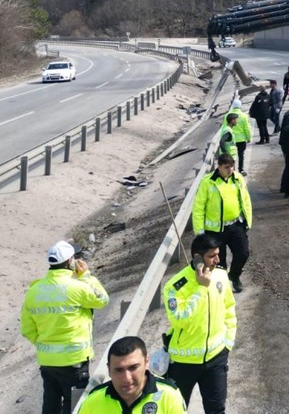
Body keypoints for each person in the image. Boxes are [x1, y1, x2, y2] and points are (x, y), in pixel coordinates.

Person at [20, 240, 110, 414]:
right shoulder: (77, 288)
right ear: (70, 262)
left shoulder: (34, 290)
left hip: (47, 361)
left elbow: (27, 329)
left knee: (50, 404)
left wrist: (44, 345)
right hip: (74, 361)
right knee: (75, 406)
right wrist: (86, 276)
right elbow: (103, 299)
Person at [163, 233, 236, 414]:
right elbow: (180, 320)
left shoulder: (220, 275)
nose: (217, 260)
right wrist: (200, 289)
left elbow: (229, 308)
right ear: (197, 258)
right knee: (177, 410)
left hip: (216, 358)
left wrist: (228, 343)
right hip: (183, 363)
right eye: (212, 256)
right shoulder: (174, 287)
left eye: (218, 254)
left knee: (217, 410)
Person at [192, 152, 253, 293]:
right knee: (219, 262)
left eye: (232, 166)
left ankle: (234, 276)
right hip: (214, 231)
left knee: (243, 253)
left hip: (236, 226)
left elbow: (245, 200)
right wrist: (199, 232)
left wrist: (247, 221)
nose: (230, 169)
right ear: (218, 167)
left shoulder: (237, 178)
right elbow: (199, 207)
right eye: (227, 167)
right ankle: (222, 287)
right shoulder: (207, 182)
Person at [78, 336, 186, 414]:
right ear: (109, 369)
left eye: (133, 368)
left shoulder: (169, 396)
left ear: (146, 362)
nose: (127, 378)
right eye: (119, 370)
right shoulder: (93, 401)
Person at [227, 100, 252, 175]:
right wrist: (248, 137)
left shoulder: (228, 115)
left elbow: (225, 127)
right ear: (240, 106)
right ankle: (241, 170)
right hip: (241, 139)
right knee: (241, 155)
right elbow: (247, 128)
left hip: (231, 139)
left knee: (231, 156)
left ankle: (232, 171)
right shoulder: (244, 116)